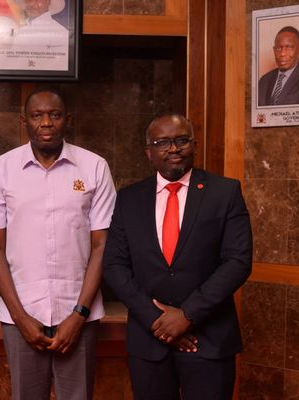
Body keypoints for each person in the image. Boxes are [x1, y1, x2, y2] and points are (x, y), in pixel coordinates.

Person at [103, 114, 252, 400]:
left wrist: (187, 315)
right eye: (162, 142)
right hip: (149, 342)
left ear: (194, 145)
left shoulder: (224, 192)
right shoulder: (129, 198)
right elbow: (114, 265)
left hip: (208, 340)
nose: (173, 149)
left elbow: (237, 261)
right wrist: (157, 321)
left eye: (181, 140)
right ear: (149, 152)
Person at [0, 87, 116, 400]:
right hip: (21, 316)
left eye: (54, 115)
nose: (46, 123)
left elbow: (102, 246)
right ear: (23, 122)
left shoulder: (95, 167)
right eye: (36, 115)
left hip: (79, 315)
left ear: (68, 120)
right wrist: (21, 318)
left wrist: (79, 315)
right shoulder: (1, 169)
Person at [0, 0, 69, 71]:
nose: (31, 4)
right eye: (28, 0)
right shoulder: (20, 31)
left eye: (37, 0)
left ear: (48, 2)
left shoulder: (62, 34)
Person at [258, 26, 299, 106]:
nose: (282, 53)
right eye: (278, 48)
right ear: (274, 50)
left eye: (289, 47)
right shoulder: (264, 80)